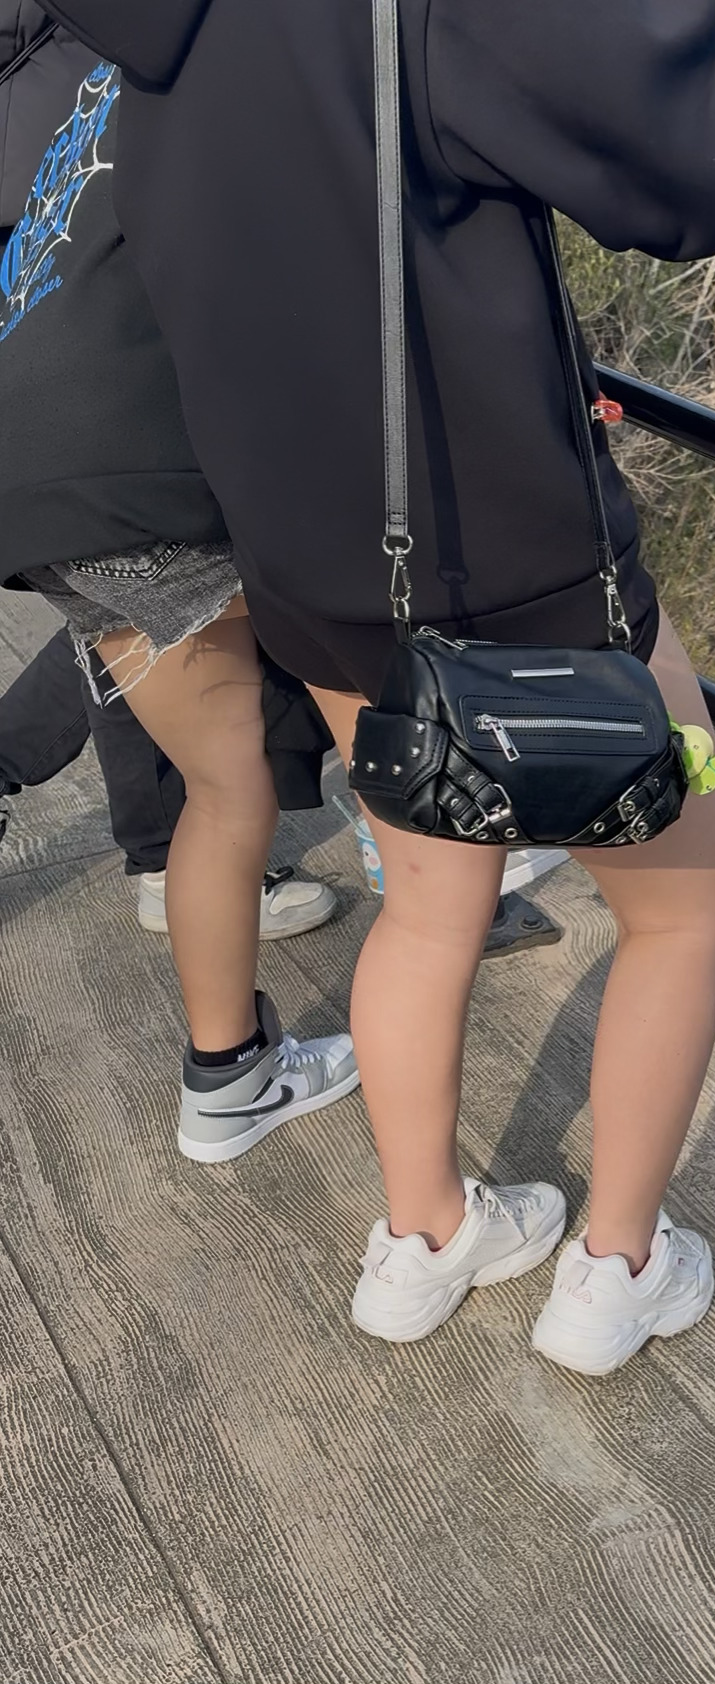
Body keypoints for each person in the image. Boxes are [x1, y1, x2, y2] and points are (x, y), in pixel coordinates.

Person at [45, 0, 715, 1371]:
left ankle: (421, 1240)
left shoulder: (144, 39)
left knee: (429, 899)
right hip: (521, 576)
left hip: (316, 577)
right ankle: (617, 1269)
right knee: (682, 893)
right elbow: (692, 143)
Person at [0, 57, 359, 1160]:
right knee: (344, 709)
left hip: (31, 469)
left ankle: (229, 1080)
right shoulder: (228, 55)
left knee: (220, 782)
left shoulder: (77, 69)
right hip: (136, 461)